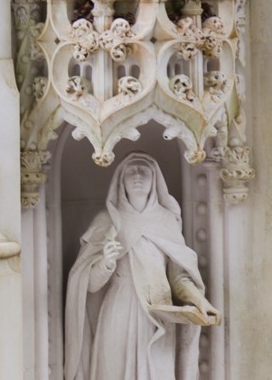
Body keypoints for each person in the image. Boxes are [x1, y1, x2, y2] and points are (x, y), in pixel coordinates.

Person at [65, 153, 219, 380]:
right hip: (118, 311)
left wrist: (200, 301)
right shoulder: (107, 221)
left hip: (159, 313)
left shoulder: (166, 221)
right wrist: (106, 262)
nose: (137, 176)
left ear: (155, 180)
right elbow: (89, 286)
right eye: (130, 171)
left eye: (144, 171)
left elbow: (178, 278)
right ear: (121, 181)